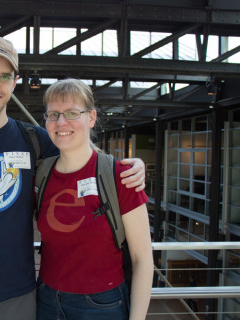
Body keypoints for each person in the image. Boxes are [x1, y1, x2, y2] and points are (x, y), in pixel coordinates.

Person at [0, 36, 146, 320]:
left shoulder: (35, 141)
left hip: (22, 297)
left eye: (4, 76)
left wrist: (127, 165)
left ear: (14, 81)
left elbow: (78, 148)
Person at [36, 79, 153, 320]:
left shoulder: (121, 176)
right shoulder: (41, 174)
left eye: (71, 113)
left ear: (91, 118)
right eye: (53, 114)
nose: (61, 122)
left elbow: (143, 259)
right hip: (46, 300)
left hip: (101, 305)